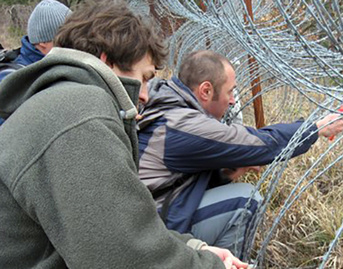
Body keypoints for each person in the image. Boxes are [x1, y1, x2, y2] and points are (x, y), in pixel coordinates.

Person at [0, 2, 247, 269]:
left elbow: (119, 231)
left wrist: (195, 248)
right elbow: (123, 259)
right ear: (107, 60)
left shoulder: (63, 102)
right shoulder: (81, 115)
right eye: (144, 77)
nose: (145, 94)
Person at [137, 50, 343, 256]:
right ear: (206, 91)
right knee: (245, 200)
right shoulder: (183, 125)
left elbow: (175, 180)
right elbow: (260, 143)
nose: (231, 101)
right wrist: (315, 129)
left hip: (146, 222)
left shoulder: (168, 103)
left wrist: (226, 173)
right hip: (153, 241)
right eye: (229, 91)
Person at [0, 0, 71, 126]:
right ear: (43, 43)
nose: (74, 45)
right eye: (67, 39)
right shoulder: (13, 81)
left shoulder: (61, 67)